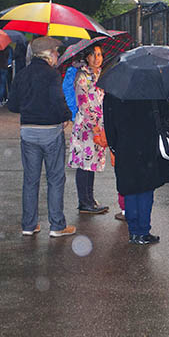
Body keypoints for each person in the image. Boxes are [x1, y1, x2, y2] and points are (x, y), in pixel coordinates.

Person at [7, 36, 76, 238]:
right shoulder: (52, 76)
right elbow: (58, 100)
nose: (57, 55)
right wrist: (65, 117)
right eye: (55, 52)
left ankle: (29, 225)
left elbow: (12, 105)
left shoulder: (21, 74)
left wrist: (29, 108)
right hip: (50, 132)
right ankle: (57, 226)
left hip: (28, 132)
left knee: (30, 180)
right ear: (47, 54)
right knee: (55, 179)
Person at [104, 95, 169, 245]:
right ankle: (143, 231)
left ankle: (134, 231)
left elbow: (109, 124)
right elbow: (165, 115)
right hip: (148, 144)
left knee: (129, 188)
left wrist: (114, 146)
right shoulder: (152, 90)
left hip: (124, 146)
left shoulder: (114, 92)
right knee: (146, 189)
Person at [68, 45, 109, 214]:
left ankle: (89, 199)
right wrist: (95, 125)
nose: (97, 58)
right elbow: (83, 104)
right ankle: (84, 201)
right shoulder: (82, 77)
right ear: (87, 57)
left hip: (99, 125)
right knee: (84, 164)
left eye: (99, 55)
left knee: (91, 164)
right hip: (87, 127)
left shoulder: (102, 74)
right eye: (93, 55)